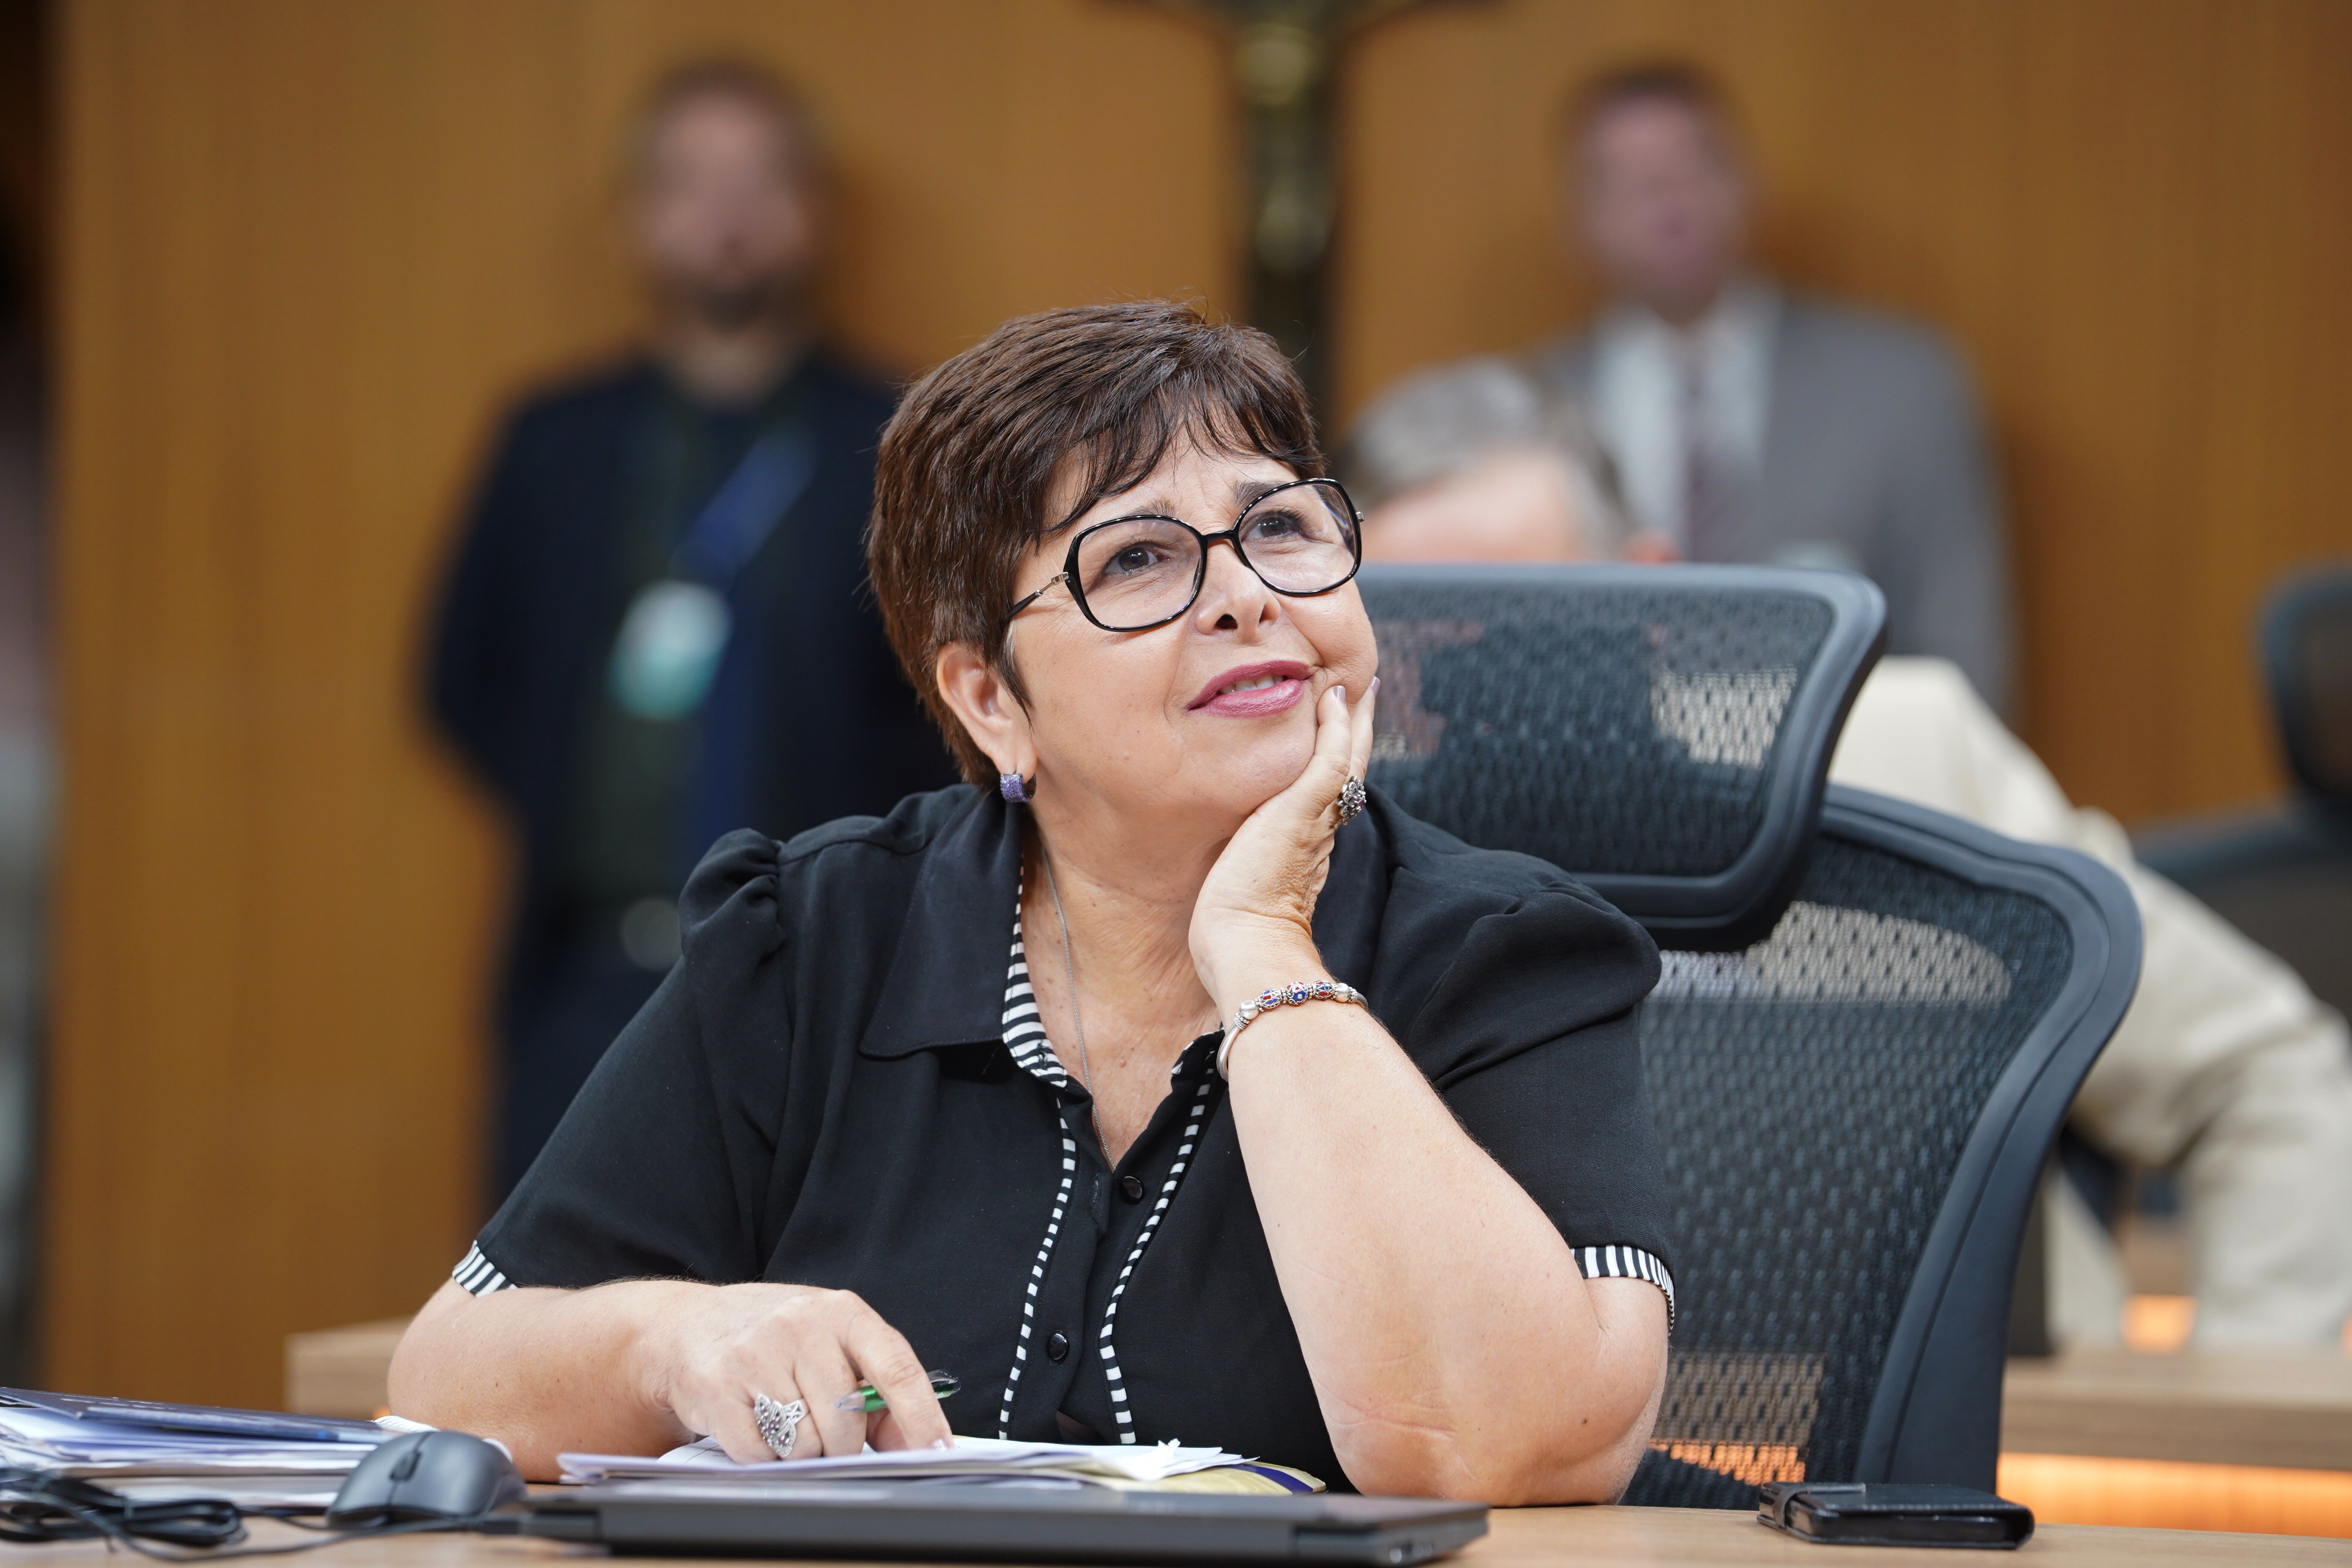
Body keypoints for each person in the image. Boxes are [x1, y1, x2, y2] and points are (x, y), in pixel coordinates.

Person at [390, 302, 1677, 1500]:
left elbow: (1520, 1443)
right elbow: (447, 1376)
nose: (1246, 593)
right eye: (1138, 559)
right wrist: (670, 1337)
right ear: (991, 699)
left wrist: (1262, 948)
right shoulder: (819, 934)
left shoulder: (1506, 952)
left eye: (1282, 528)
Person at [1342, 361, 2352, 1347]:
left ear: (1649, 594)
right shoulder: (1313, 854)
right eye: (1410, 638)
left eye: (1509, 632)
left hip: (1999, 1429)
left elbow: (2266, 1075)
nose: (1452, 691)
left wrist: (2233, 1398)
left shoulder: (1896, 755)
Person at [427, 61, 950, 1199]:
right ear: (636, 214)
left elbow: (952, 704)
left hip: (828, 980)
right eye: (692, 181)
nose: (727, 213)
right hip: (587, 977)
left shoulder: (903, 443)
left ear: (816, 211)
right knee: (553, 1297)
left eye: (760, 180)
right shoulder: (553, 439)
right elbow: (461, 677)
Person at [1530, 62, 2014, 714]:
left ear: (1747, 182)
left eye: (1693, 167)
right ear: (1575, 220)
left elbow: (1965, 658)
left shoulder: (1904, 388)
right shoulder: (1523, 411)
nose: (1666, 202)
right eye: (1626, 181)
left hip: (1850, 767)